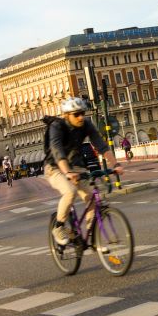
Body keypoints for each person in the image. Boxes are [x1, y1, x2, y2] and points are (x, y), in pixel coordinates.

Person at [44, 97, 123, 246]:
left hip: (76, 166)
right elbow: (57, 150)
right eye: (76, 114)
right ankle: (59, 227)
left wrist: (116, 164)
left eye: (82, 113)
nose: (81, 117)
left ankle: (92, 234)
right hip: (54, 167)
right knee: (70, 191)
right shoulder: (57, 126)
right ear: (67, 115)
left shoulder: (86, 124)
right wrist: (67, 172)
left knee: (93, 197)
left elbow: (101, 145)